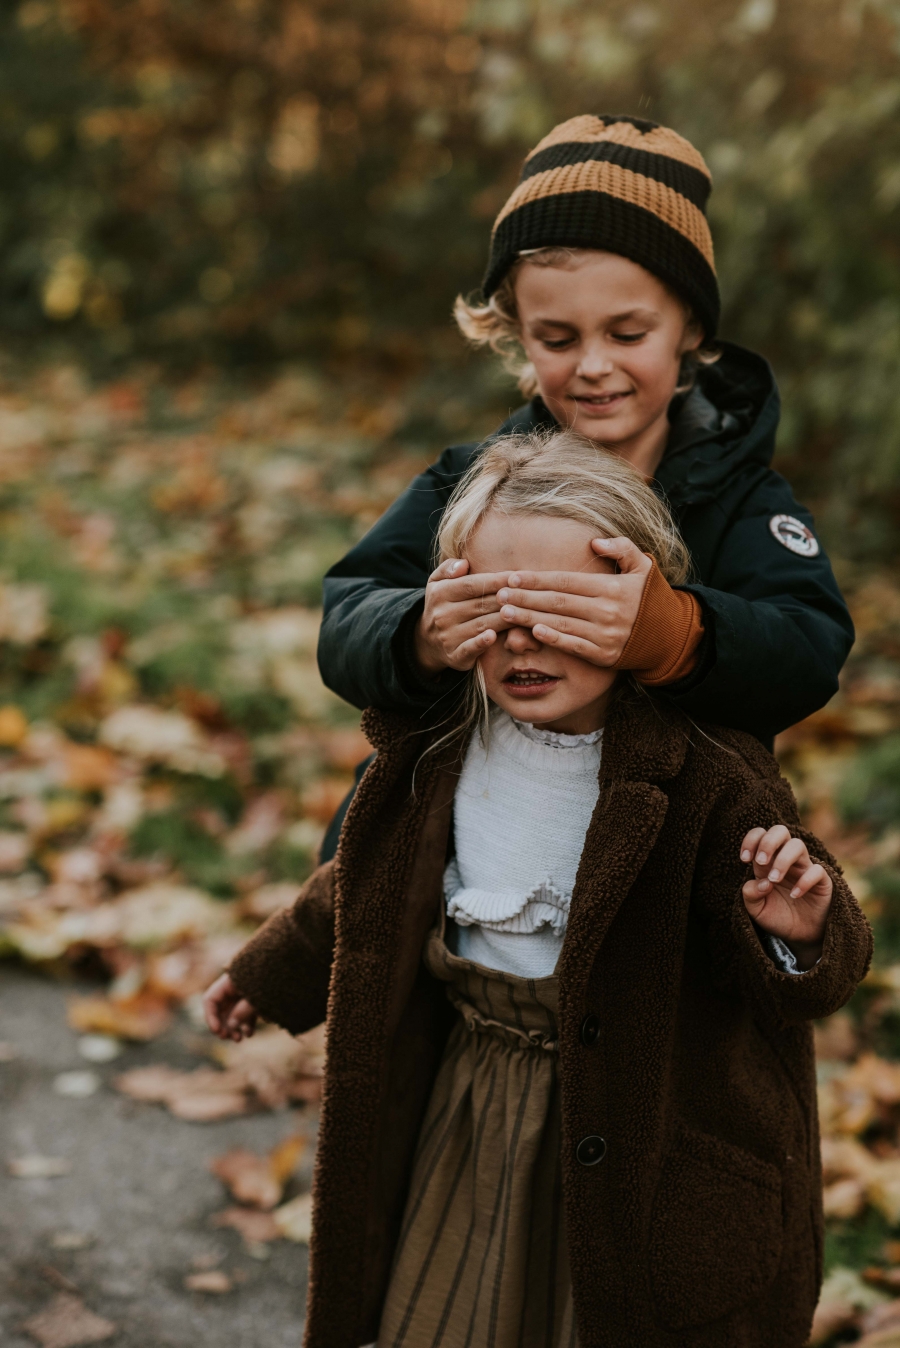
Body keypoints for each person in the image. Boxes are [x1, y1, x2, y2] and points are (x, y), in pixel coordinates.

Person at [204, 431, 871, 1348]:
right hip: (470, 1107)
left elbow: (811, 975)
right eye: (490, 607)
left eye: (560, 609)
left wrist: (795, 931)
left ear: (633, 609)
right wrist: (267, 973)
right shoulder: (436, 745)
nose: (521, 636)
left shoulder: (710, 772)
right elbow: (363, 886)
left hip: (641, 1134)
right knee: (444, 1316)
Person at [316, 114, 853, 862]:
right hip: (464, 842)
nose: (594, 366)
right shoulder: (472, 483)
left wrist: (678, 636)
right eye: (558, 340)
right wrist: (420, 633)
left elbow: (808, 650)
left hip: (662, 867)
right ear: (517, 334)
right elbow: (348, 613)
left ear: (690, 326)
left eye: (627, 334)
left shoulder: (742, 501)